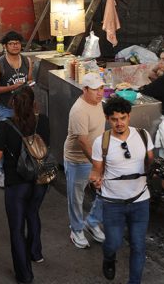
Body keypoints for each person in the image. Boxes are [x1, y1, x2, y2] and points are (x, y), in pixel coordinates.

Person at [89, 97, 154, 284]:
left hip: (140, 200)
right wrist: (95, 180)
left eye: (123, 118)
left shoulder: (143, 135)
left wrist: (154, 168)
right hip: (113, 203)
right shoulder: (101, 142)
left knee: (139, 245)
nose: (119, 123)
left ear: (129, 116)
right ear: (108, 119)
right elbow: (96, 170)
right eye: (114, 119)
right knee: (113, 243)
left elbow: (150, 160)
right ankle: (109, 257)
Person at [0, 86, 48, 283]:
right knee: (34, 213)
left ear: (13, 105)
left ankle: (25, 274)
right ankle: (35, 252)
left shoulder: (6, 126)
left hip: (16, 184)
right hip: (40, 180)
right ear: (34, 104)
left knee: (16, 229)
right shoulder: (43, 121)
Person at [64, 73, 106, 249]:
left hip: (96, 156)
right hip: (78, 160)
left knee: (107, 191)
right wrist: (97, 164)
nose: (100, 93)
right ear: (85, 90)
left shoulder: (98, 104)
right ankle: (76, 229)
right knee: (76, 198)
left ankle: (92, 221)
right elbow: (83, 141)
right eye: (95, 89)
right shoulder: (79, 110)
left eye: (102, 88)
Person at [0, 31, 33, 120]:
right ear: (5, 46)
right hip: (5, 107)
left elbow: (30, 80)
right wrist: (13, 87)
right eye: (11, 43)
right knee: (9, 132)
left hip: (24, 106)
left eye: (17, 43)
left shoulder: (27, 61)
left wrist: (29, 84)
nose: (15, 46)